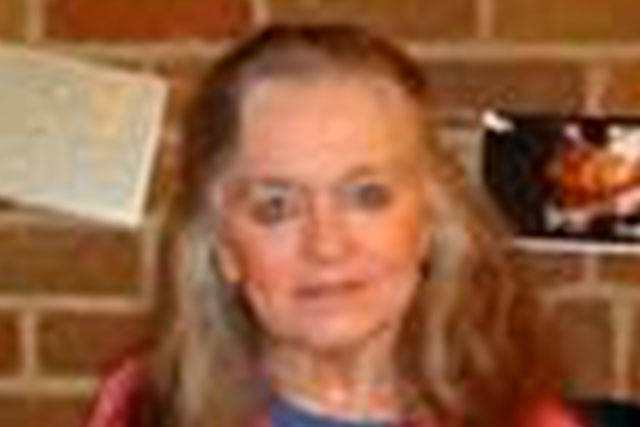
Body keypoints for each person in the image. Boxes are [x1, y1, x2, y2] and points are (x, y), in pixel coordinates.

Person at [83, 24, 579, 427]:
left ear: (429, 222)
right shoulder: (145, 413)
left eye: (367, 196)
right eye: (276, 207)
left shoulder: (521, 421)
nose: (326, 245)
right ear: (224, 247)